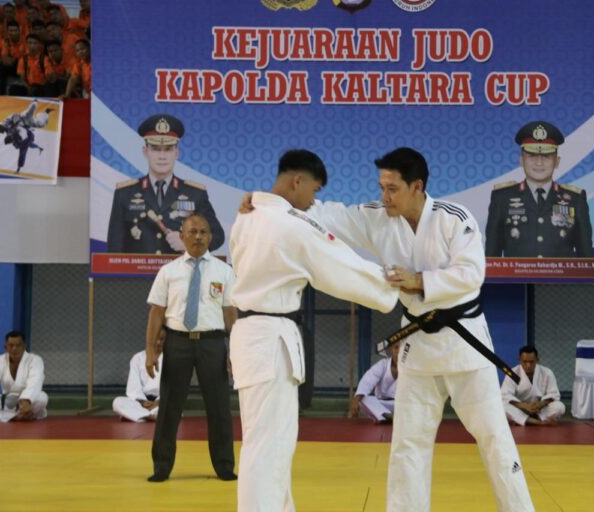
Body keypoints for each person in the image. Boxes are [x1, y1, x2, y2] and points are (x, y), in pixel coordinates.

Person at [300, 147, 534, 511]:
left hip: (464, 345)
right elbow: (327, 214)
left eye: (392, 188)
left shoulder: (453, 218)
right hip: (418, 347)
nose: (385, 196)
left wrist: (420, 280)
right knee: (408, 444)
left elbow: (472, 273)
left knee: (494, 439)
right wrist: (271, 203)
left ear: (417, 186)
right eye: (382, 187)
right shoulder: (377, 218)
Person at [228, 149, 399, 512]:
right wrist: (394, 285)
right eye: (313, 191)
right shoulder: (290, 225)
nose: (313, 201)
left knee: (272, 443)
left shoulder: (248, 214)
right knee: (267, 447)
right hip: (269, 337)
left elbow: (295, 217)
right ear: (297, 181)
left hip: (254, 333)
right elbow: (341, 265)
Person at [144, 213, 236, 482]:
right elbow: (156, 313)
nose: (198, 237)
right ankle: (161, 467)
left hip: (212, 343)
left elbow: (231, 314)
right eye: (193, 232)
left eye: (203, 232)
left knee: (219, 407)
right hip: (177, 342)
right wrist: (150, 350)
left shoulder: (224, 271)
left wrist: (235, 351)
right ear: (182, 236)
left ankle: (224, 466)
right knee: (169, 407)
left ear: (211, 237)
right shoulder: (168, 272)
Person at [107, 114, 225, 254]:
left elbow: (218, 236)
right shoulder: (125, 193)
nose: (162, 156)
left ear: (177, 153)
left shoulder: (195, 194)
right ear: (145, 152)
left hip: (181, 268)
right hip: (138, 269)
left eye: (168, 149)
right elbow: (114, 248)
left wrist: (190, 243)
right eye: (155, 149)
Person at [485, 121, 593, 259]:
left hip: (561, 274)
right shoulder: (502, 198)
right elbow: (491, 259)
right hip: (518, 274)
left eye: (546, 156)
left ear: (557, 161)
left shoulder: (576, 200)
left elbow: (586, 260)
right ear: (521, 160)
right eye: (532, 155)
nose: (539, 163)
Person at [0, 331, 48, 423]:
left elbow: (35, 381)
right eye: (11, 345)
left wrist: (27, 400)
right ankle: (19, 417)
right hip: (7, 402)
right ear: (5, 346)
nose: (14, 348)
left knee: (42, 398)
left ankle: (3, 416)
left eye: (18, 345)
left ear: (24, 346)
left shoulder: (35, 360)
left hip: (26, 403)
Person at [501, 346, 565, 427]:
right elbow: (505, 395)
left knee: (560, 407)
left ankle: (527, 420)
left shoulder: (547, 373)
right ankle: (538, 422)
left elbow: (554, 394)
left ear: (537, 360)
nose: (528, 365)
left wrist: (541, 404)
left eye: (531, 362)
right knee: (503, 407)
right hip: (520, 409)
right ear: (519, 360)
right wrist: (524, 406)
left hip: (539, 410)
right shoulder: (513, 373)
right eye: (524, 362)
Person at [112, 331, 164, 422]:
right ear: (149, 340)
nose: (158, 342)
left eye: (162, 339)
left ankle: (140, 415)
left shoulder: (171, 358)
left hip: (162, 402)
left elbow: (173, 388)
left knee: (172, 405)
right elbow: (133, 388)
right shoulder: (138, 358)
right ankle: (150, 416)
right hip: (141, 403)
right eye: (156, 339)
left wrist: (158, 403)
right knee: (117, 402)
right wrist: (142, 402)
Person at [350, 343, 400, 423]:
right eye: (396, 347)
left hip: (401, 405)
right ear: (391, 349)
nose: (399, 351)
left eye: (403, 348)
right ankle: (389, 416)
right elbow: (368, 380)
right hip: (381, 405)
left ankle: (386, 417)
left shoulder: (411, 368)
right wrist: (356, 398)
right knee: (363, 399)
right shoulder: (383, 364)